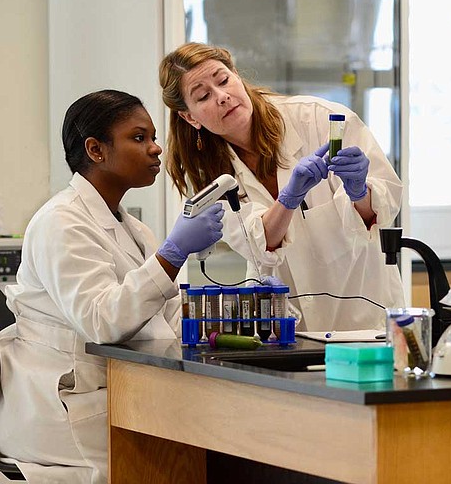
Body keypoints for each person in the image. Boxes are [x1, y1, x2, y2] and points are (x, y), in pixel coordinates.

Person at [0, 90, 224, 483]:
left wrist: (238, 311)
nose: (156, 149)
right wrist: (172, 255)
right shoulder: (61, 222)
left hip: (122, 393)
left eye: (154, 137)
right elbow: (102, 320)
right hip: (68, 408)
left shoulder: (134, 229)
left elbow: (164, 318)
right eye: (139, 138)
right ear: (96, 150)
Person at [159, 42, 405, 331]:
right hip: (287, 323)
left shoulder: (320, 120)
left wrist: (359, 191)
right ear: (190, 117)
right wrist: (288, 200)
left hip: (364, 310)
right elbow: (258, 243)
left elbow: (381, 212)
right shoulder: (208, 172)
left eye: (224, 80)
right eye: (203, 96)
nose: (222, 97)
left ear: (237, 76)